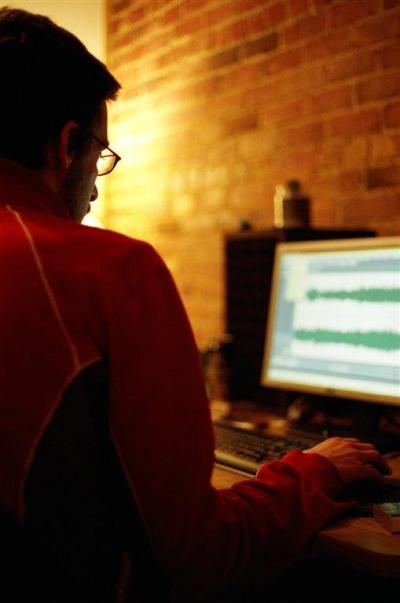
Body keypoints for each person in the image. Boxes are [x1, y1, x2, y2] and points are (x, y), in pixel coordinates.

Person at [0, 7, 390, 603]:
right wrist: (316, 469)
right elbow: (200, 556)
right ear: (68, 143)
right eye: (100, 154)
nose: (97, 185)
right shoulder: (111, 270)